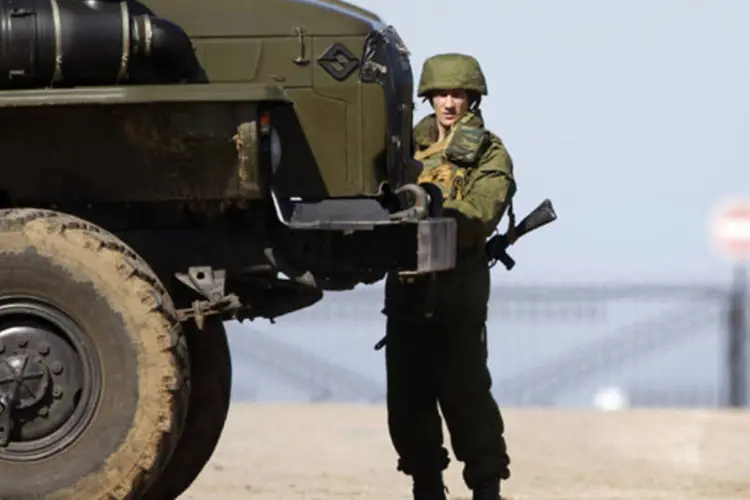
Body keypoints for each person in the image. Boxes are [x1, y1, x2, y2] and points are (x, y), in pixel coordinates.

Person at [381, 53, 517, 500]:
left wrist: (432, 208)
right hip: (407, 287)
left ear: (472, 97)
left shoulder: (488, 150)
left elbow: (481, 214)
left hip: (457, 290)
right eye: (441, 93)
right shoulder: (404, 149)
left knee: (466, 394)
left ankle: (485, 485)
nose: (448, 103)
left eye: (457, 94)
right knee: (408, 398)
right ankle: (426, 483)